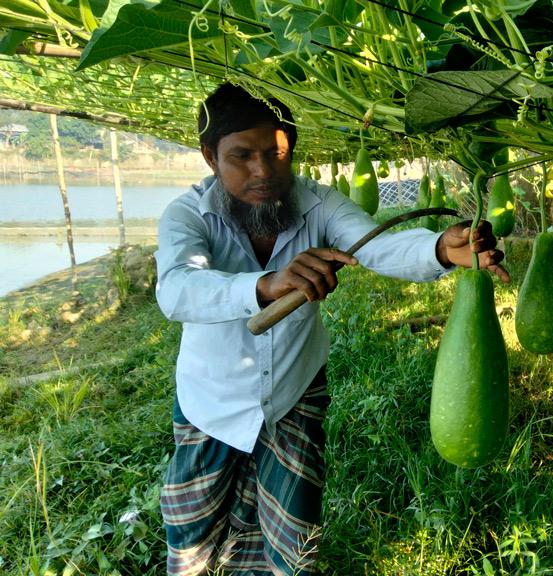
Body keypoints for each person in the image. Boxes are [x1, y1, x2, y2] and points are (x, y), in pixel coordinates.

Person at [154, 82, 508, 575]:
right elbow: (176, 289)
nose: (262, 172)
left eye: (276, 155)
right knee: (194, 531)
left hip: (293, 394)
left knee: (294, 539)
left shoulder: (319, 204)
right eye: (242, 156)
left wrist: (441, 251)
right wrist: (265, 284)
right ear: (210, 156)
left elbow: (375, 246)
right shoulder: (188, 215)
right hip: (210, 401)